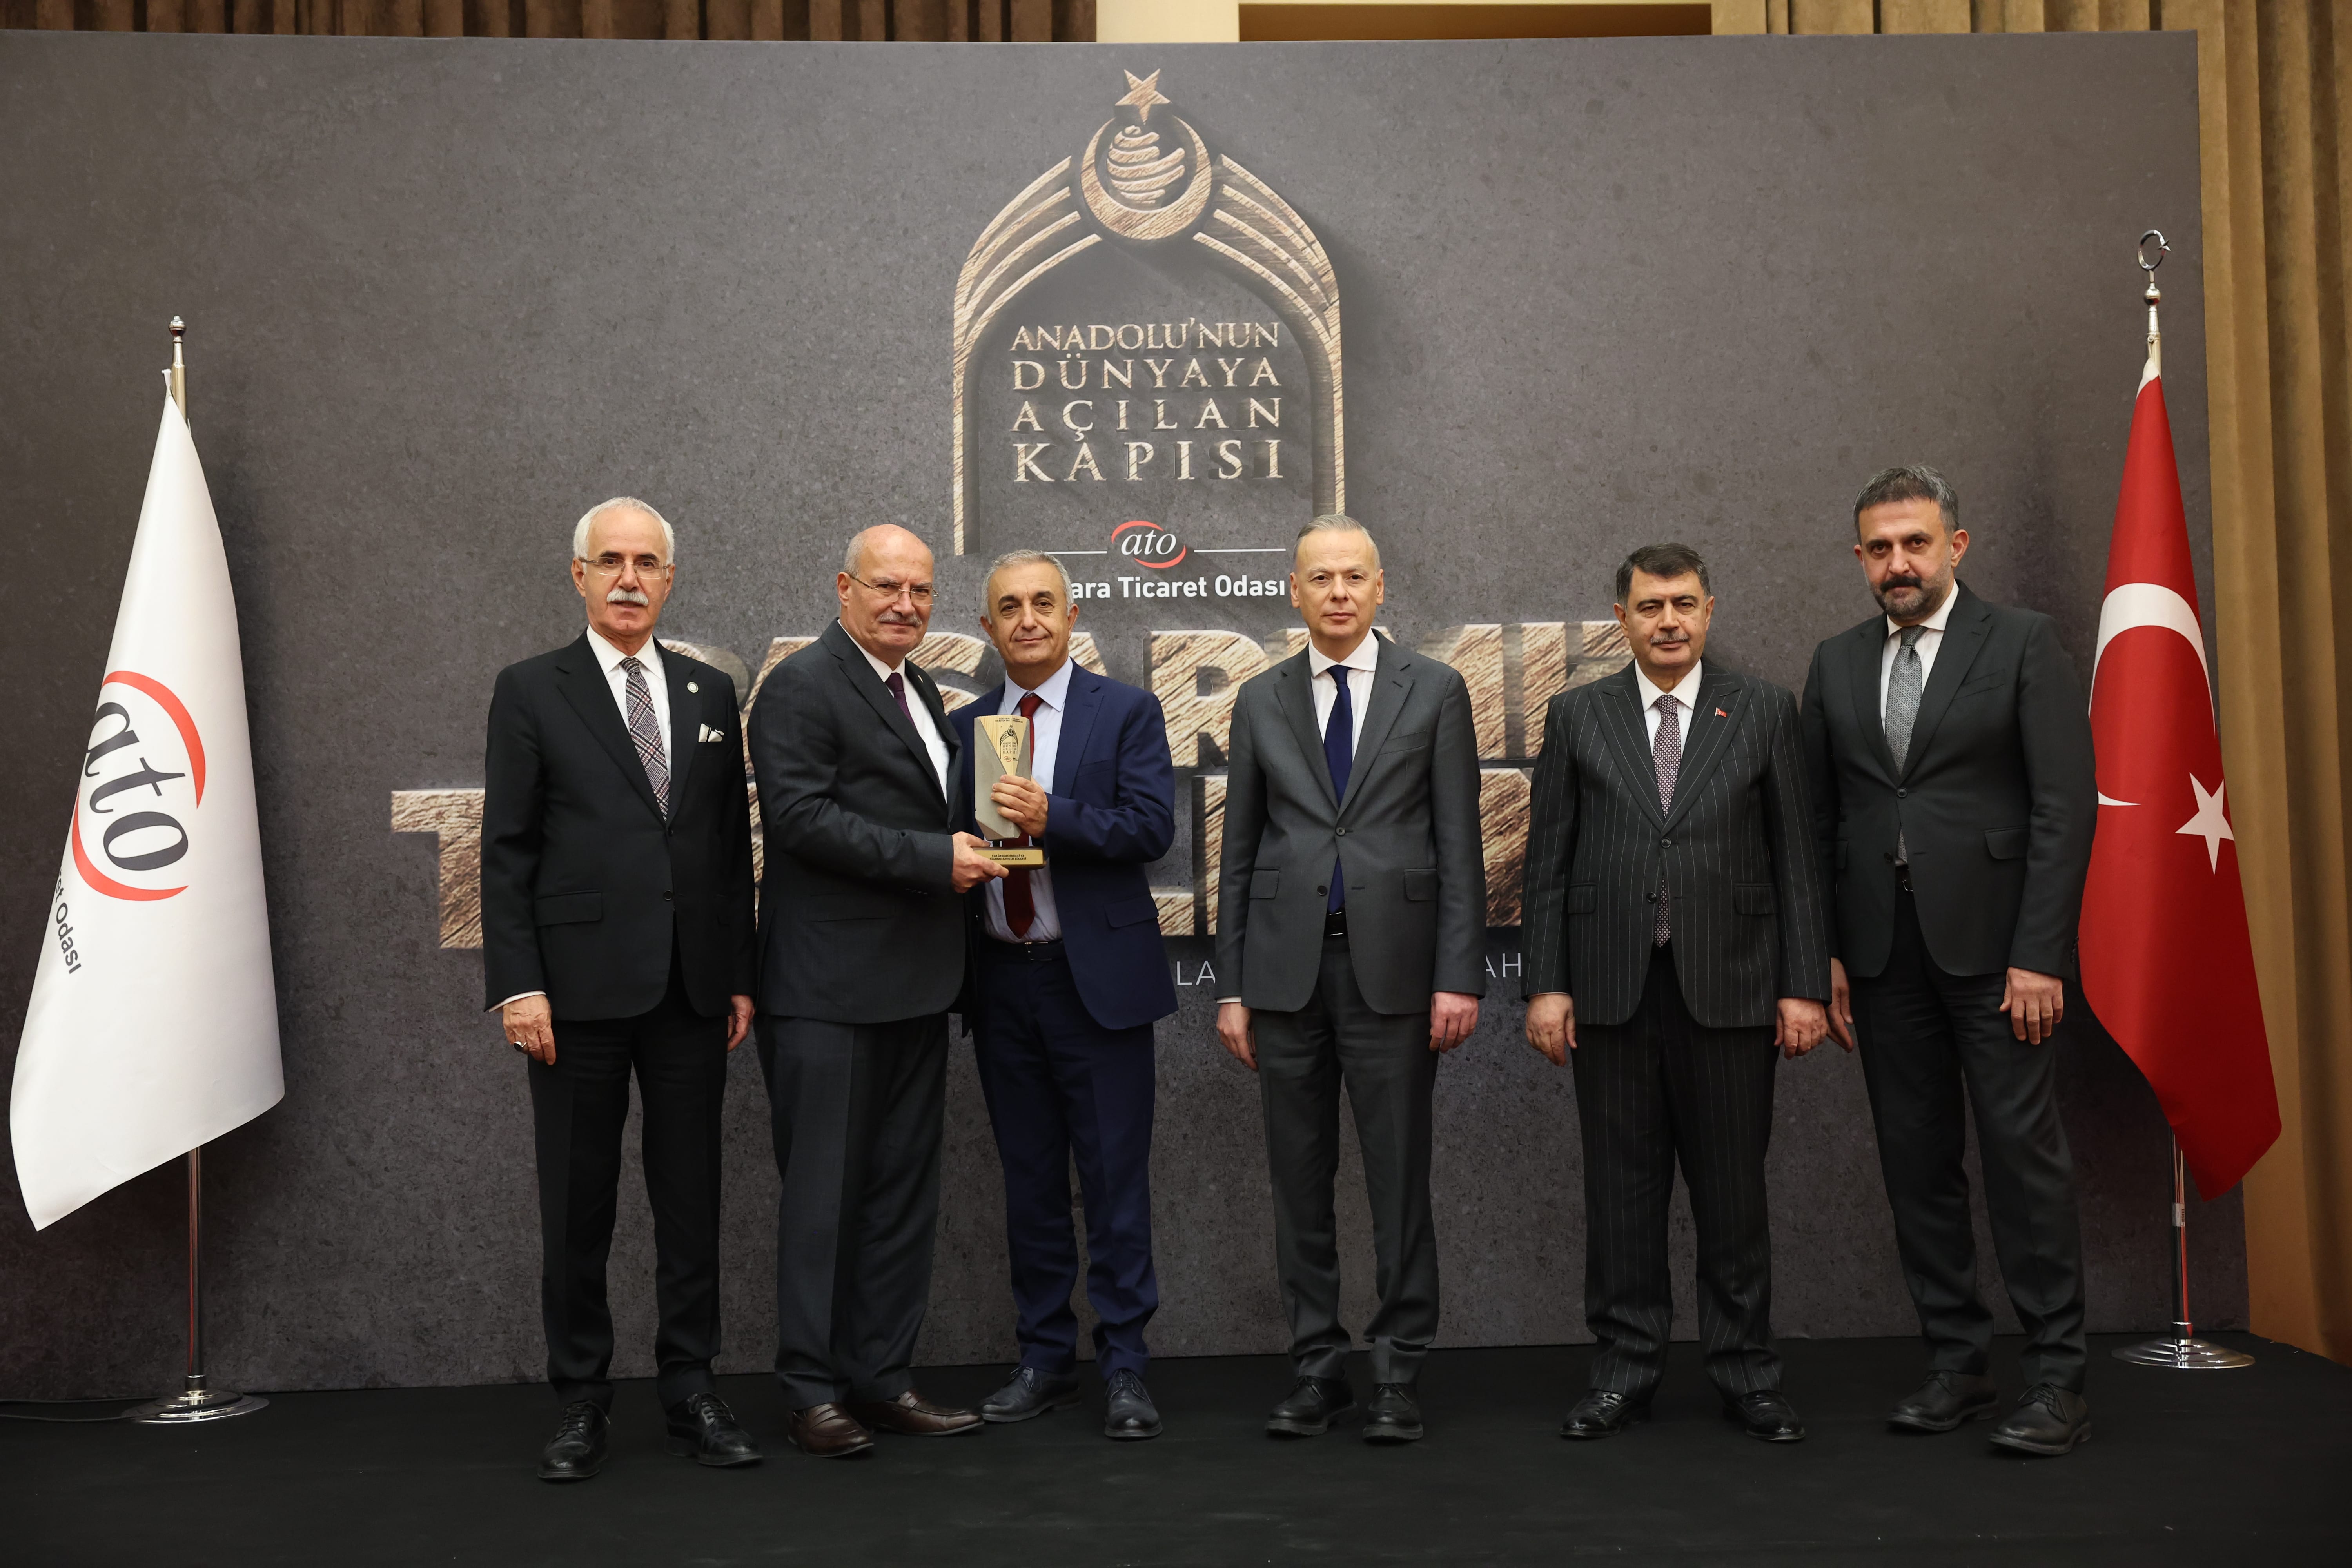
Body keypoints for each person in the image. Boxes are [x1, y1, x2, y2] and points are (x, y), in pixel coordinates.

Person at [1800, 466, 2098, 1457]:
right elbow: (1821, 821)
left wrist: (2040, 954)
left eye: (1916, 543)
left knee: (2023, 1163)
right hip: (1883, 958)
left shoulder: (2021, 643)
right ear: (1860, 558)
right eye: (1881, 548)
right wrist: (1827, 950)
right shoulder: (1836, 662)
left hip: (2001, 960)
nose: (1900, 564)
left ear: (1955, 546)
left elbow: (2064, 807)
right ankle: (1958, 1362)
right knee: (1915, 1162)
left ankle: (2057, 1378)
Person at [1521, 542, 1830, 1445]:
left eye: (1685, 604)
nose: (1669, 622)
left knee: (1734, 1198)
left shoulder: (1764, 708)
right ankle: (1623, 1372)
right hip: (1610, 991)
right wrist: (1546, 984)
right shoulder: (1578, 713)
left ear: (1709, 610)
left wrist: (1803, 985)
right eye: (1651, 606)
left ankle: (1747, 1374)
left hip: (1732, 988)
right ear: (1621, 618)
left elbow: (1798, 858)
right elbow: (1548, 862)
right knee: (1622, 1197)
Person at [481, 497, 760, 1483]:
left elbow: (726, 846)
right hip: (574, 996)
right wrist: (519, 984)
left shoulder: (708, 690)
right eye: (611, 561)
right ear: (580, 575)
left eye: (647, 563)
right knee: (577, 1204)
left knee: (691, 1201)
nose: (630, 578)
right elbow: (506, 849)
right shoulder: (532, 688)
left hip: (691, 990)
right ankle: (581, 1398)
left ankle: (691, 1387)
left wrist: (737, 974)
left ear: (670, 579)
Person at [1215, 514, 1486, 1445]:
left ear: (1380, 587)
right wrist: (1231, 985)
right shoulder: (1261, 697)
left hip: (1397, 975)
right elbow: (1238, 850)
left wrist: (1459, 974)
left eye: (1354, 576)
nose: (1338, 592)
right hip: (1284, 975)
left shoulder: (1435, 688)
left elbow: (1460, 842)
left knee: (1398, 1180)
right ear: (1294, 590)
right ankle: (1316, 1368)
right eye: (1321, 577)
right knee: (1299, 1182)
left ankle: (1398, 1370)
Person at [745, 523, 1008, 1459]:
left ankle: (883, 1378)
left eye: (921, 590)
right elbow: (801, 819)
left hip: (916, 985)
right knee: (824, 1198)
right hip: (826, 989)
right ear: (844, 587)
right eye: (887, 586)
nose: (905, 604)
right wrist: (935, 859)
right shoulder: (801, 686)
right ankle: (811, 1392)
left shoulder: (922, 688)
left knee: (900, 1196)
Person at [952, 550, 1179, 1441]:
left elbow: (1152, 828)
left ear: (1072, 614)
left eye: (1043, 602)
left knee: (1115, 1182)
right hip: (1002, 981)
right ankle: (1044, 1359)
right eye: (1009, 606)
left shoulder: (1124, 710)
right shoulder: (967, 725)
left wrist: (1056, 817)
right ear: (988, 627)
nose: (1028, 619)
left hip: (1098, 986)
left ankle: (1125, 1366)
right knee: (1032, 1183)